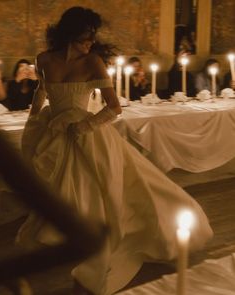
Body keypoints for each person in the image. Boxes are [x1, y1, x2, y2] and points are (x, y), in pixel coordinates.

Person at [16, 7, 212, 295]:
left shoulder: (93, 62)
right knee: (57, 189)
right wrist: (34, 121)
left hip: (88, 133)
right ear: (70, 34)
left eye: (92, 38)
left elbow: (114, 108)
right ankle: (66, 238)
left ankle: (95, 242)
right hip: (54, 133)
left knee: (103, 189)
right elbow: (42, 91)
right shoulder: (44, 59)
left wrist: (85, 127)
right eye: (86, 37)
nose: (90, 43)